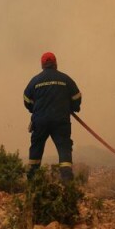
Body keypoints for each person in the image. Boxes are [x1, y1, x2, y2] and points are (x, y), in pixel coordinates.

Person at [23, 51, 82, 182]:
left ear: (42, 65)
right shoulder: (65, 79)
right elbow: (77, 96)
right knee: (64, 147)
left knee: (36, 148)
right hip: (60, 121)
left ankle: (33, 181)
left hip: (40, 121)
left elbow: (26, 99)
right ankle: (67, 181)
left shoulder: (35, 80)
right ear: (55, 63)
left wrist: (35, 110)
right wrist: (73, 107)